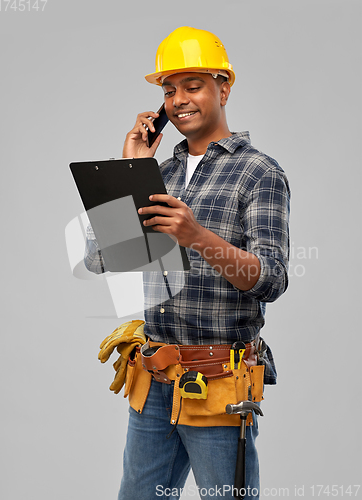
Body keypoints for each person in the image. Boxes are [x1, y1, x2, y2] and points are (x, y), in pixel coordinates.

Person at [85, 27, 290, 500]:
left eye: (192, 86)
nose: (179, 100)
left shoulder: (259, 172)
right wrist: (129, 169)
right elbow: (102, 258)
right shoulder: (163, 173)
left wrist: (197, 237)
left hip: (218, 384)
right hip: (153, 380)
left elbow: (272, 278)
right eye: (168, 90)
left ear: (224, 88)